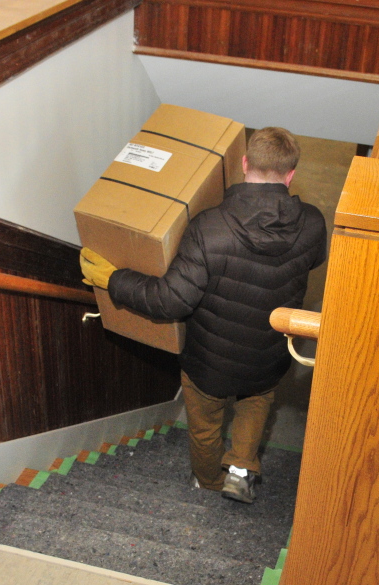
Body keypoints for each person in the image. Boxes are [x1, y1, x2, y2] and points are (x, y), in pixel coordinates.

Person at [80, 127, 326, 504]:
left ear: (244, 163)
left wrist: (113, 279)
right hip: (268, 354)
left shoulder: (208, 228)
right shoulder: (312, 223)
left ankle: (209, 481)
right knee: (256, 402)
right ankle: (242, 467)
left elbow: (170, 301)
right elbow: (315, 260)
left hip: (209, 361)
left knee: (206, 425)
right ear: (290, 175)